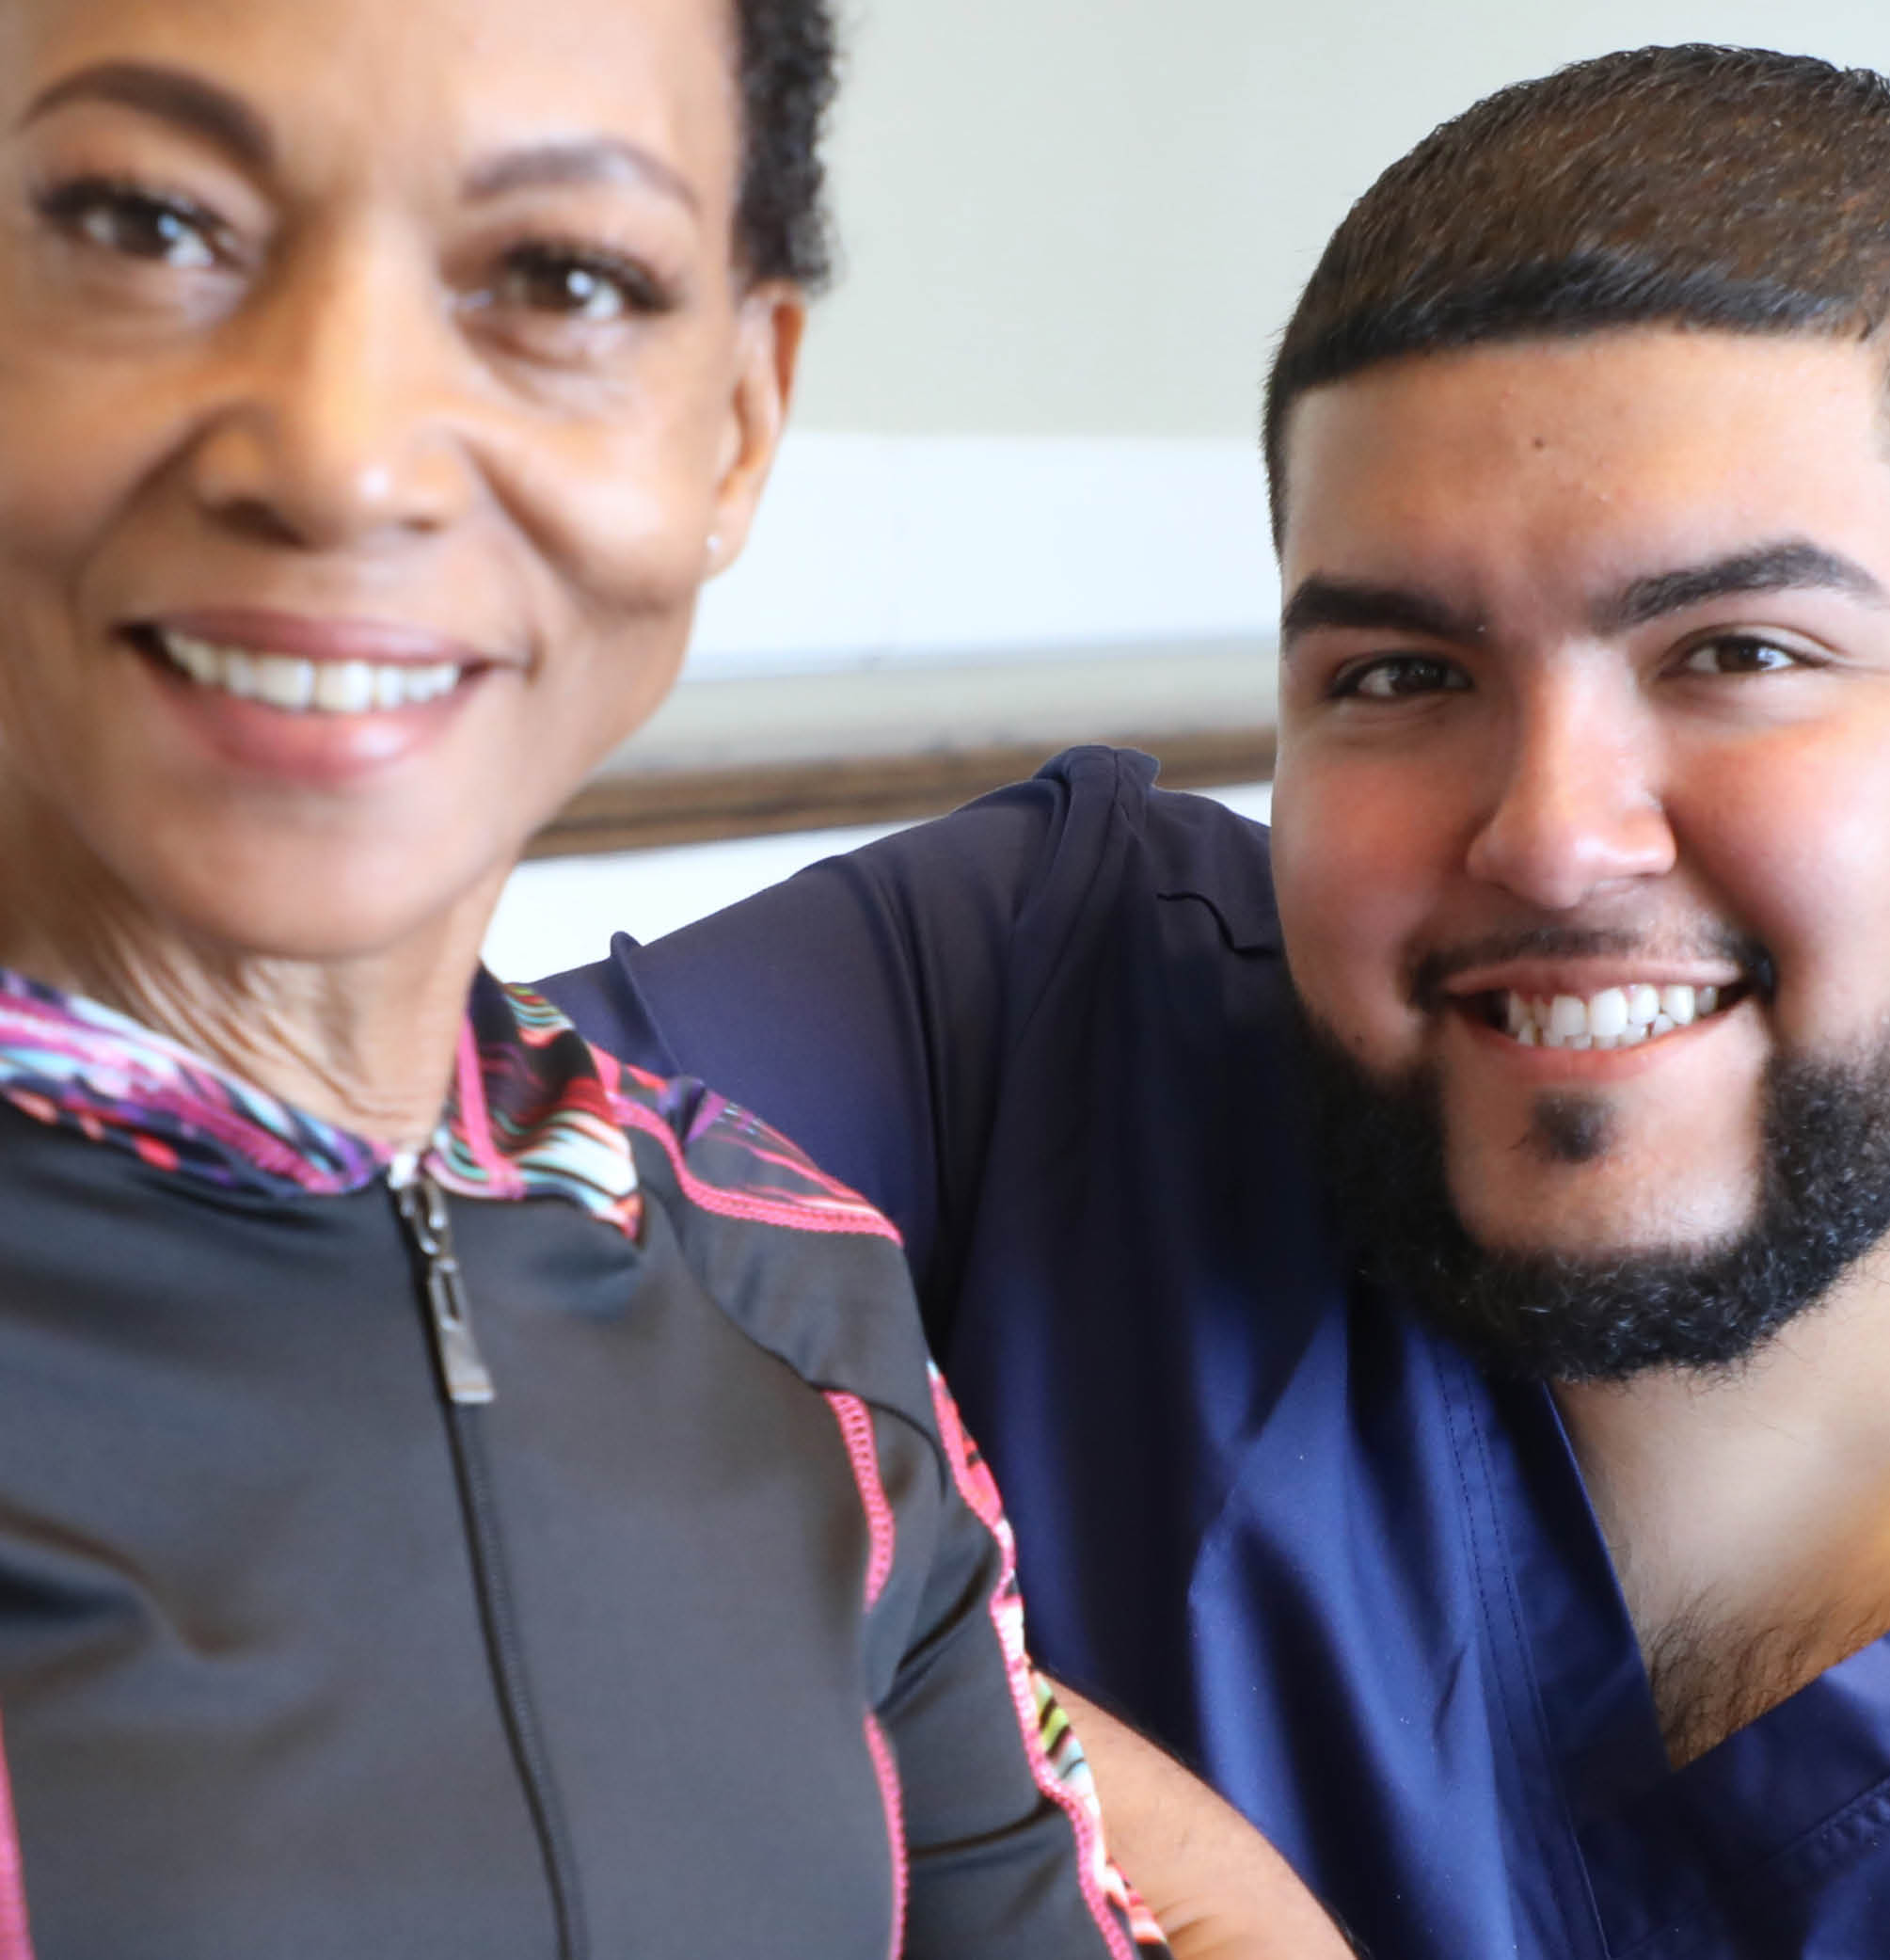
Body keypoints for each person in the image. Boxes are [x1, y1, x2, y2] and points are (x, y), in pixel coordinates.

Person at [550, 44, 1890, 1960]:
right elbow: (298, 1227)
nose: (1549, 835)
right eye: (1401, 676)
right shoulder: (1024, 1024)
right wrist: (1054, 1790)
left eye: (1737, 653)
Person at [0, 0, 1346, 1952]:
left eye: (559, 276)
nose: (340, 456)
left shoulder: (785, 1291)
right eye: (144, 223)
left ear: (733, 424)